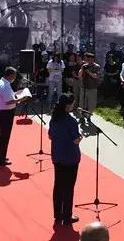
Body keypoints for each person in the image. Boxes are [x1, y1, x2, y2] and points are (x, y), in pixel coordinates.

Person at [49, 93, 83, 226]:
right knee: (68, 188)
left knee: (58, 186)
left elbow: (50, 136)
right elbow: (75, 140)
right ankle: (67, 216)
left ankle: (58, 214)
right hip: (70, 157)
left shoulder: (54, 118)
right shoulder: (71, 121)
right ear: (68, 105)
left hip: (57, 155)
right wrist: (80, 138)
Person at [0, 67, 25, 167]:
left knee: (2, 136)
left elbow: (9, 96)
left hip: (2, 112)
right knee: (4, 137)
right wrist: (21, 99)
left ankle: (0, 156)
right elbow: (8, 101)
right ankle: (0, 159)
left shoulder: (3, 83)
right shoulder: (5, 85)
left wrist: (16, 94)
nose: (15, 78)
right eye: (14, 75)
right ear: (10, 75)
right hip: (5, 113)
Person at [79, 52, 101, 123]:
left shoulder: (96, 66)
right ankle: (81, 117)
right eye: (87, 59)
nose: (88, 60)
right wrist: (82, 69)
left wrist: (88, 71)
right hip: (84, 87)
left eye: (90, 58)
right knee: (82, 103)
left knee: (92, 104)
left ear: (93, 59)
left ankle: (88, 116)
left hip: (92, 88)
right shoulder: (84, 66)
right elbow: (79, 75)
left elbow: (96, 76)